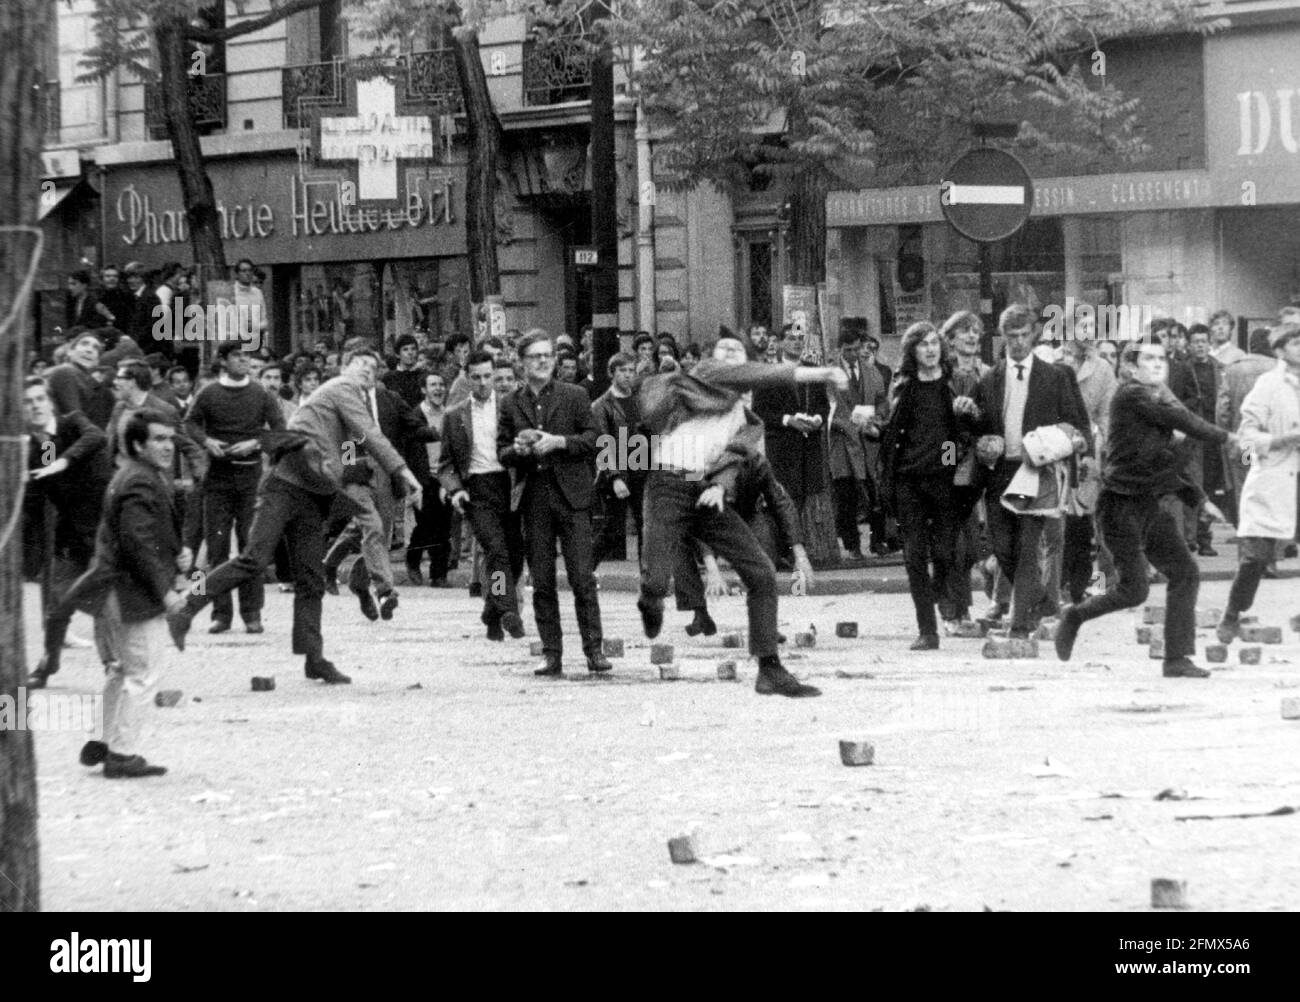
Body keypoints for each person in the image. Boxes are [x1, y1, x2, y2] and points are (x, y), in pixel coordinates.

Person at [166, 343, 422, 682]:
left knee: (311, 580)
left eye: (372, 369)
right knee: (253, 559)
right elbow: (369, 434)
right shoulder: (340, 389)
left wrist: (351, 475)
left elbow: (347, 448)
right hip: (284, 486)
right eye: (359, 364)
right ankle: (187, 607)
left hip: (312, 496)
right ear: (343, 366)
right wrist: (402, 470)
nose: (366, 371)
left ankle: (313, 658)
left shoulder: (346, 403)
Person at [635, 327, 848, 697]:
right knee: (656, 579)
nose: (730, 354)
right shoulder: (703, 375)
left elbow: (736, 457)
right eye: (724, 349)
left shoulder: (749, 421)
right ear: (711, 358)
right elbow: (755, 374)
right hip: (667, 485)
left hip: (706, 492)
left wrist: (720, 486)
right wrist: (823, 372)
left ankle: (770, 668)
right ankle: (650, 601)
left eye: (738, 350)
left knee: (761, 573)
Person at [1054, 340, 1234, 678]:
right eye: (1148, 360)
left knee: (1186, 571)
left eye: (1161, 360)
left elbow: (1163, 464)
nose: (1157, 365)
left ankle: (1176, 658)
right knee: (1133, 591)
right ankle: (1075, 615)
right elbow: (1178, 418)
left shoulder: (1154, 410)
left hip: (1148, 506)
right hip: (1119, 507)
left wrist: (1201, 501)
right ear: (1131, 369)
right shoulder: (1130, 396)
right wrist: (1224, 437)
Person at [75, 410, 187, 778]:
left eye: (170, 438)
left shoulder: (136, 475)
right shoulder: (142, 480)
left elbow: (143, 535)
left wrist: (177, 553)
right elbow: (136, 542)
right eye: (158, 439)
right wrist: (165, 592)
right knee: (145, 672)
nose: (168, 446)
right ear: (138, 444)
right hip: (130, 593)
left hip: (112, 589)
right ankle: (122, 754)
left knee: (121, 670)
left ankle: (104, 740)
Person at [969, 304, 1091, 638]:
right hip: (999, 471)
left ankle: (1020, 624)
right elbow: (975, 428)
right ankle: (1041, 601)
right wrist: (974, 429)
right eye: (1012, 336)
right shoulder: (989, 378)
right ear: (1003, 336)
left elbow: (1077, 421)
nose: (1019, 342)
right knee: (1002, 545)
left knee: (1026, 546)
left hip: (1034, 471)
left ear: (1034, 333)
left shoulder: (1054, 375)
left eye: (1025, 335)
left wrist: (1083, 457)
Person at [497, 330, 610, 676]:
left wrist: (559, 442)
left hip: (572, 496)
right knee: (542, 579)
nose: (544, 361)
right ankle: (551, 653)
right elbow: (500, 450)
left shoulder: (575, 395)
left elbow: (594, 439)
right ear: (522, 363)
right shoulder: (511, 402)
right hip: (535, 498)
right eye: (535, 356)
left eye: (548, 355)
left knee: (582, 577)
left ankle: (594, 650)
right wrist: (516, 451)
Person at [880, 323, 976, 649]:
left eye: (934, 343)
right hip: (908, 479)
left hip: (943, 481)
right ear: (913, 352)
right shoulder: (905, 387)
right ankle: (928, 630)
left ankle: (938, 592)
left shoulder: (954, 383)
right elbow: (893, 435)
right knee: (915, 556)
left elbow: (956, 437)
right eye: (923, 345)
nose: (931, 349)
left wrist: (948, 464)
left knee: (946, 553)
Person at [184, 342, 286, 634]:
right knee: (216, 548)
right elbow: (189, 424)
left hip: (251, 480)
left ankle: (252, 613)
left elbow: (280, 430)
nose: (244, 361)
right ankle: (221, 614)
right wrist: (207, 442)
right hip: (216, 480)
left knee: (250, 547)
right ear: (223, 361)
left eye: (247, 357)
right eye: (237, 357)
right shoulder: (208, 393)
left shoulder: (261, 394)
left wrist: (255, 443)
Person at [23, 377, 112, 688]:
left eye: (38, 399)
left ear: (49, 402)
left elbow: (96, 436)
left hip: (103, 530)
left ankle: (112, 666)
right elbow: (36, 500)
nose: (34, 406)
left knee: (106, 604)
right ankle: (48, 664)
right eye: (27, 402)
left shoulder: (72, 423)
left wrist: (63, 462)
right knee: (57, 605)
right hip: (71, 536)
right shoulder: (36, 448)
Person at [1215, 324, 1300, 645]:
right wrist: (1281, 440)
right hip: (1276, 476)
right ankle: (1233, 613)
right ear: (1279, 350)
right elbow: (1246, 435)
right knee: (1256, 557)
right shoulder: (1268, 385)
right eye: (1295, 343)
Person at [439, 352, 526, 641]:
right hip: (477, 489)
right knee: (496, 550)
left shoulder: (510, 408)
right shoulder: (455, 416)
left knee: (514, 556)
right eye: (476, 377)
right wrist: (456, 489)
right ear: (468, 377)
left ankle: (492, 612)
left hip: (509, 484)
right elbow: (446, 465)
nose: (483, 382)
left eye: (487, 376)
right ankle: (507, 609)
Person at [751, 322, 832, 519]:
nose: (797, 343)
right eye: (791, 338)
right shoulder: (769, 373)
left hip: (809, 448)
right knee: (784, 502)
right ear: (779, 343)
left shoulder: (813, 371)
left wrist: (818, 419)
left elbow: (823, 405)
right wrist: (788, 420)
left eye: (800, 339)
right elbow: (759, 411)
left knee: (807, 504)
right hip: (782, 449)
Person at [827, 323, 887, 560]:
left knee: (875, 493)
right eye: (848, 350)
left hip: (867, 442)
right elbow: (826, 407)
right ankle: (852, 545)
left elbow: (882, 401)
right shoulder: (830, 374)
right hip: (842, 443)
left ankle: (878, 541)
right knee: (846, 496)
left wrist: (878, 418)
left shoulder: (872, 372)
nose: (853, 354)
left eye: (856, 349)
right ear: (840, 349)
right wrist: (844, 422)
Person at [590, 352, 645, 565]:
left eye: (631, 370)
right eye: (622, 371)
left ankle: (648, 581)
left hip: (642, 469)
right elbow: (602, 442)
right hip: (618, 471)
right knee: (613, 529)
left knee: (645, 527)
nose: (628, 375)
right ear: (612, 373)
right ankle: (585, 572)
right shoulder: (601, 405)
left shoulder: (640, 400)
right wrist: (614, 477)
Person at [1217, 328, 1275, 529]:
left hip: (1246, 443)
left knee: (1246, 482)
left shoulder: (1233, 370)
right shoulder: (1280, 369)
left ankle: (1249, 532)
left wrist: (1228, 436)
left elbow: (1222, 409)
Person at [407, 371, 452, 587]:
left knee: (443, 527)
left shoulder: (451, 414)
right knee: (426, 524)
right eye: (433, 384)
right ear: (424, 390)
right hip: (422, 479)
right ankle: (413, 560)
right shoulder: (415, 415)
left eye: (441, 384)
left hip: (445, 476)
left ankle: (439, 575)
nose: (438, 388)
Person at [1186, 324, 1223, 554]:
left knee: (1210, 486)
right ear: (1190, 345)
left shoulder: (1219, 369)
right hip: (1194, 436)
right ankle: (1192, 537)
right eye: (1196, 341)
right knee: (1195, 485)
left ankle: (1205, 536)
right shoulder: (1184, 369)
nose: (1200, 345)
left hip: (1214, 436)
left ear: (1209, 343)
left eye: (1203, 341)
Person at [45, 329, 115, 428]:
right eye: (84, 344)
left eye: (95, 348)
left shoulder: (91, 381)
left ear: (97, 361)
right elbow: (75, 418)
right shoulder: (65, 372)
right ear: (70, 352)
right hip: (57, 441)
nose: (89, 350)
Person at [233, 258, 269, 352]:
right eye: (244, 271)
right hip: (236, 341)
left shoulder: (258, 293)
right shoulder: (231, 292)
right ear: (237, 274)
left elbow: (264, 321)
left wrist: (254, 326)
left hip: (255, 340)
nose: (247, 273)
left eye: (250, 270)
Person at [383, 333, 426, 407]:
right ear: (397, 354)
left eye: (413, 349)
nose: (410, 353)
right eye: (405, 349)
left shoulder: (424, 375)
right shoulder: (388, 377)